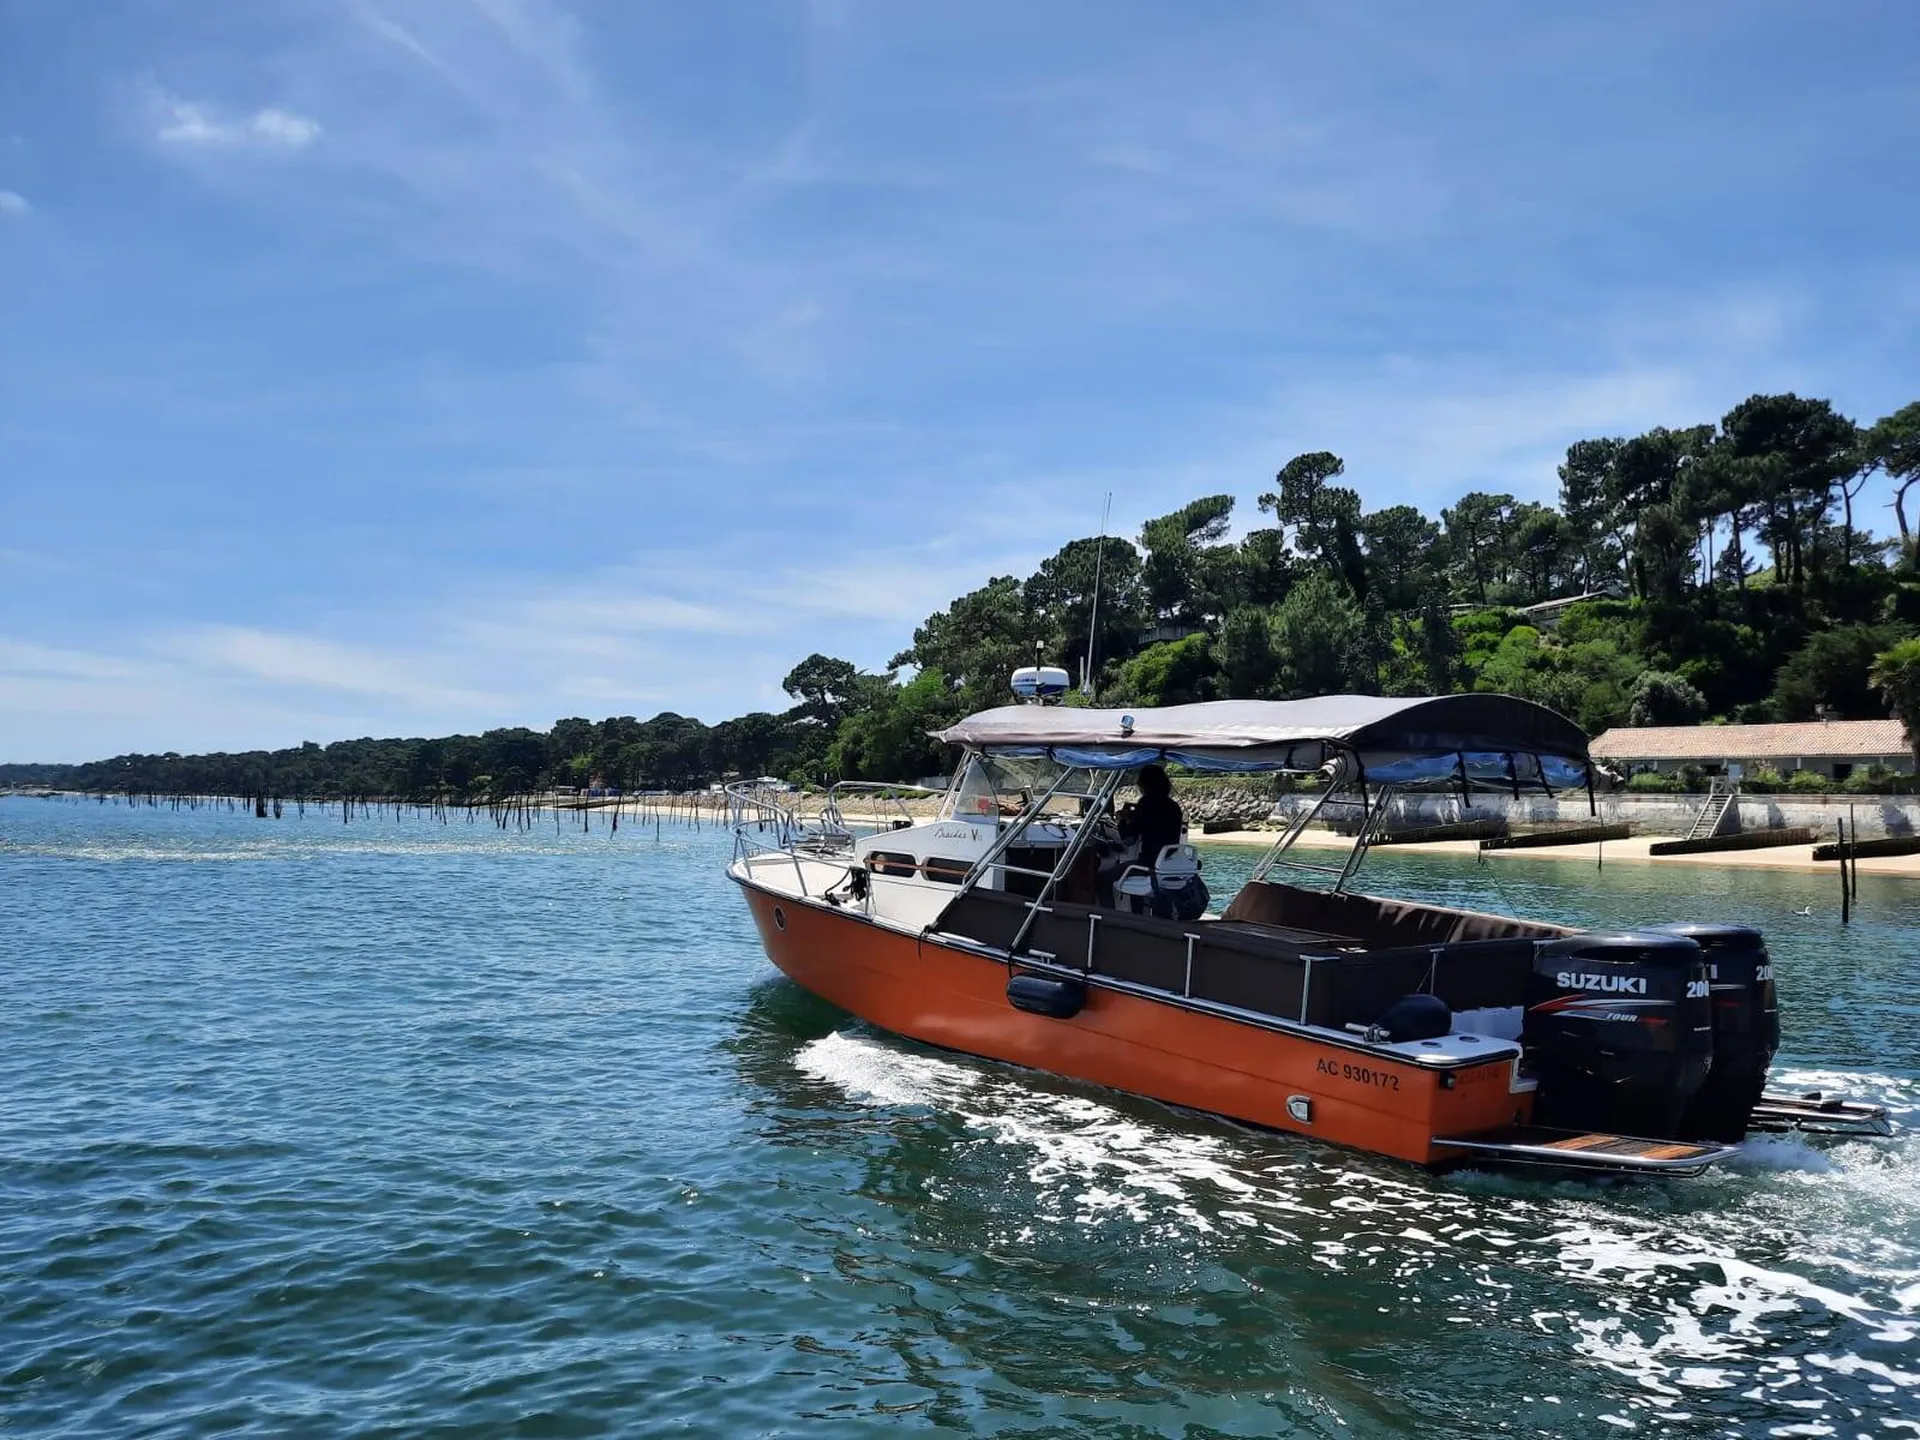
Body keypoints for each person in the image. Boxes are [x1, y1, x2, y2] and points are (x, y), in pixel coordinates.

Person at [1123, 763, 1184, 869]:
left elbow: (1129, 840)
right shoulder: (1173, 805)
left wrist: (1123, 819)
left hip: (1150, 862)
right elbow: (1156, 821)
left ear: (1144, 784)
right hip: (1169, 860)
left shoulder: (1146, 802)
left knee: (1105, 877)